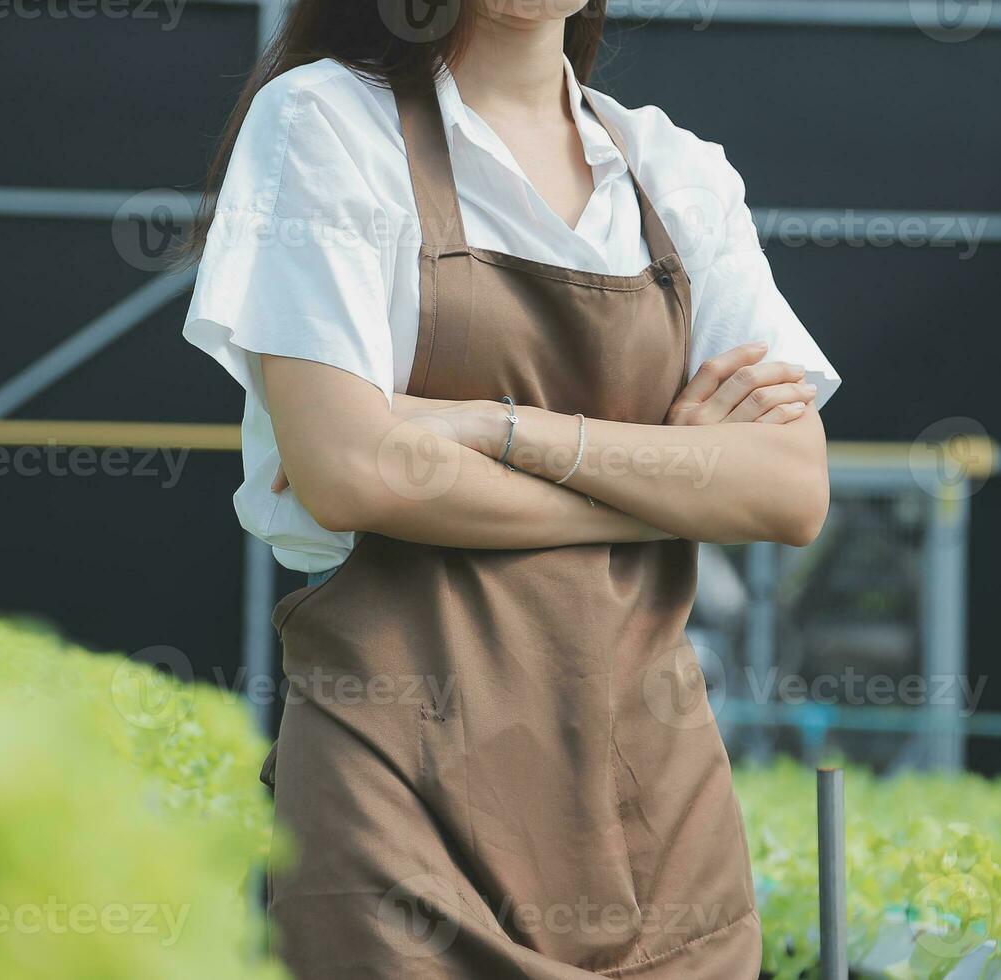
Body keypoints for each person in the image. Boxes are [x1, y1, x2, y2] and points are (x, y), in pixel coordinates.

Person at [182, 0, 840, 974]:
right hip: (398, 804)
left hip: (659, 825)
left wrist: (496, 426)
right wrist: (671, 474)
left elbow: (788, 489)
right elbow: (352, 472)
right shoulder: (325, 124)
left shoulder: (677, 172)